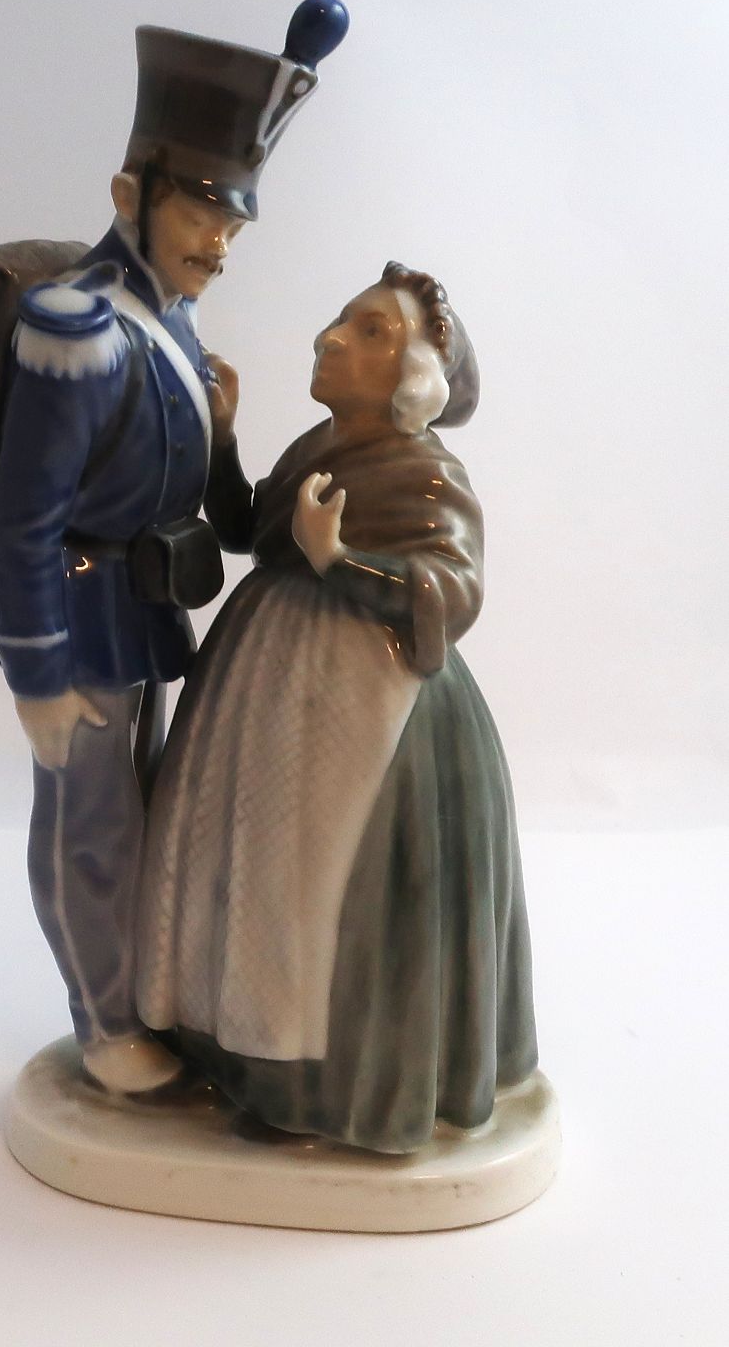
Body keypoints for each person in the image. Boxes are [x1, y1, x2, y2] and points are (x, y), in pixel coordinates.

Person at [0, 0, 349, 1094]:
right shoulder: (73, 326)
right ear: (130, 196)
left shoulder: (173, 319)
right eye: (200, 209)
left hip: (141, 607)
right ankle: (101, 1024)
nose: (218, 242)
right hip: (74, 610)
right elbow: (21, 519)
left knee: (139, 813)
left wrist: (224, 434)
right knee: (89, 829)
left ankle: (136, 997)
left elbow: (205, 498)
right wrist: (36, 673)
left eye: (234, 223)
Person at [136, 262, 538, 1150]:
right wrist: (221, 439)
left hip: (367, 703)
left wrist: (341, 562)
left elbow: (453, 589)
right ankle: (234, 1052)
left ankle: (331, 1092)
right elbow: (250, 528)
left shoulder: (425, 475)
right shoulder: (316, 446)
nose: (332, 338)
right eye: (342, 321)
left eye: (369, 333)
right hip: (267, 679)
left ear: (414, 379)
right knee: (250, 865)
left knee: (312, 881)